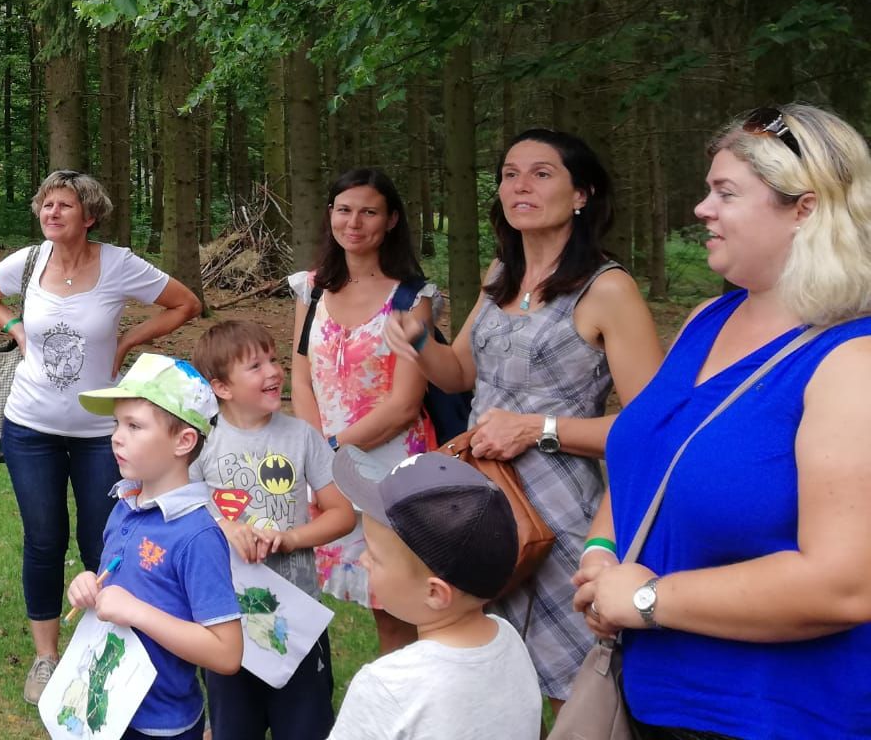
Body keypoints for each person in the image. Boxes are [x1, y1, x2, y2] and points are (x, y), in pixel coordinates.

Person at [571, 104, 871, 739]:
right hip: (654, 700)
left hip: (776, 716)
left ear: (805, 209)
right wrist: (603, 555)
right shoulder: (710, 317)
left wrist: (650, 600)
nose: (701, 208)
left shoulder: (851, 362)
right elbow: (648, 449)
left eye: (725, 192)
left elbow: (844, 585)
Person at [384, 128, 662, 702]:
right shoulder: (499, 276)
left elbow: (653, 429)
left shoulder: (607, 289)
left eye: (541, 173)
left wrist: (539, 429)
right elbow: (460, 375)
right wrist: (418, 339)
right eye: (510, 174)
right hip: (482, 504)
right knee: (489, 677)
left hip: (561, 515)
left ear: (581, 194)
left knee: (569, 684)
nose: (520, 186)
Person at [0, 169, 202, 704]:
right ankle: (47, 657)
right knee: (44, 539)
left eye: (64, 206)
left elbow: (186, 303)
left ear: (90, 215)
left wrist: (128, 343)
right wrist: (15, 328)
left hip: (102, 433)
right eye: (47, 204)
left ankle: (106, 647)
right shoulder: (28, 262)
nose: (51, 213)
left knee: (104, 541)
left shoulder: (119, 265)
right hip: (29, 427)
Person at [291, 168, 437, 653]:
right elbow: (300, 375)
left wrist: (331, 452)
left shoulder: (411, 298)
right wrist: (316, 456)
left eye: (369, 211)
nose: (354, 222)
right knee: (335, 585)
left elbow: (402, 406)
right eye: (344, 209)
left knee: (398, 602)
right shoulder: (312, 288)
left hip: (389, 469)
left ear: (391, 220)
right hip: (327, 466)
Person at [191, 319, 356, 740]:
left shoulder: (302, 437)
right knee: (233, 728)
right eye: (255, 366)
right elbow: (178, 512)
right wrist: (223, 526)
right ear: (221, 387)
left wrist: (291, 538)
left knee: (306, 727)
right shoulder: (201, 442)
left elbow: (342, 514)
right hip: (228, 621)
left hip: (298, 617)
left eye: (273, 359)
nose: (273, 371)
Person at [70, 354, 243, 740]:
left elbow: (226, 653)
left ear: (183, 441)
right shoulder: (124, 505)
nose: (117, 436)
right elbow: (114, 580)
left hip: (160, 723)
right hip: (104, 705)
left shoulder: (197, 536)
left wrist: (137, 612)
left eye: (134, 426)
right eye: (117, 423)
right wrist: (88, 585)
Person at [326, 448, 542, 739]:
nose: (363, 560)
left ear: (435, 593)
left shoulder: (388, 686)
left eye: (375, 557)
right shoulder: (507, 639)